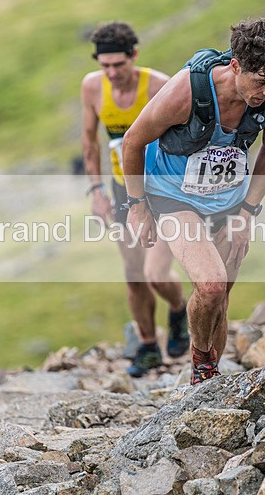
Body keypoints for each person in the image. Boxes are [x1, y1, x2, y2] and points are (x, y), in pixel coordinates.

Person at [121, 19, 265, 384]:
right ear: (235, 65)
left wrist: (248, 211)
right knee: (212, 284)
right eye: (261, 80)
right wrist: (137, 207)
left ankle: (210, 381)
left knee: (221, 299)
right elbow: (133, 142)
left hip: (229, 201)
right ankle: (201, 367)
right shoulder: (186, 91)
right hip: (172, 195)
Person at [80, 21, 188, 377]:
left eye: (118, 65)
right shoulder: (92, 88)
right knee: (132, 274)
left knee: (154, 273)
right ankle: (147, 346)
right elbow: (89, 141)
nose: (111, 73)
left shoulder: (160, 85)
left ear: (134, 56)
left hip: (161, 188)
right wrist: (96, 192)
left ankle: (177, 309)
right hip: (120, 188)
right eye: (104, 65)